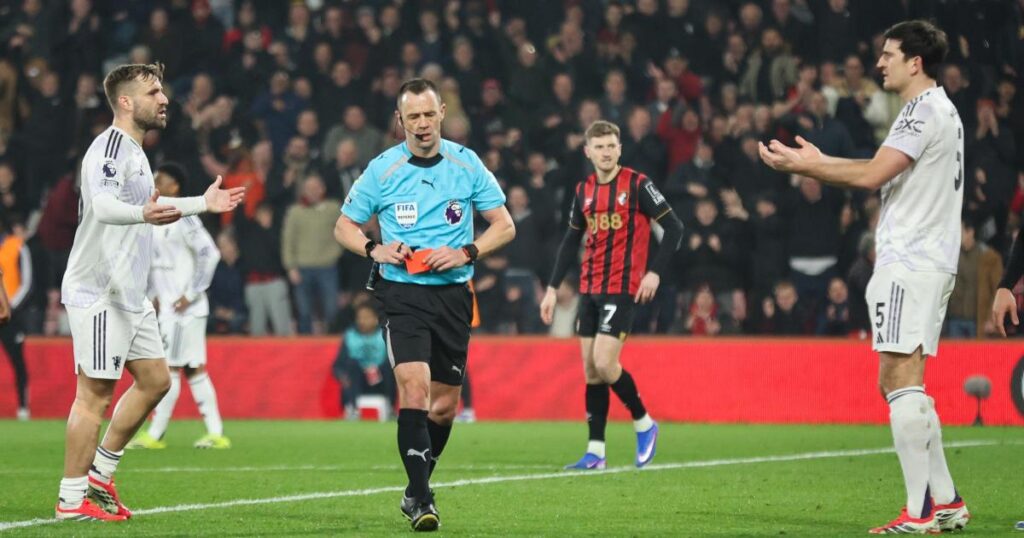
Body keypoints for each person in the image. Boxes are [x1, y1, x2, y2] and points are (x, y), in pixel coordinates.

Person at [759, 21, 970, 534]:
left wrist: (809, 166)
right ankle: (946, 501)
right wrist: (820, 161)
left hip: (912, 260)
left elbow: (873, 173)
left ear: (915, 62)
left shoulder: (921, 111)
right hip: (929, 259)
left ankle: (919, 513)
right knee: (904, 380)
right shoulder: (943, 109)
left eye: (888, 54)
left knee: (898, 378)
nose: (880, 63)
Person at [55, 63, 243, 522]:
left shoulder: (138, 153)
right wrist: (143, 215)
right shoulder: (110, 147)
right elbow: (104, 206)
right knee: (94, 394)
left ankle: (100, 474)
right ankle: (71, 498)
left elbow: (151, 206)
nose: (164, 99)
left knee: (157, 380)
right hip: (99, 288)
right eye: (153, 91)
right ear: (125, 101)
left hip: (130, 293)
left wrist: (203, 202)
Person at [334, 78, 514, 532]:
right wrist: (373, 249)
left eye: (428, 114)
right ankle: (423, 501)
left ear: (442, 113)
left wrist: (466, 252)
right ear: (400, 120)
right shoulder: (382, 169)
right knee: (414, 390)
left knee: (445, 408)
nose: (421, 124)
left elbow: (504, 225)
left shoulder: (466, 163)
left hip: (454, 294)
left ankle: (414, 489)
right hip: (403, 294)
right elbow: (343, 226)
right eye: (411, 116)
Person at [539, 120, 684, 471]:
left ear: (619, 148)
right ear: (587, 151)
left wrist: (654, 272)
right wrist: (552, 289)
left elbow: (675, 227)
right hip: (588, 288)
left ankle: (644, 423)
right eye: (598, 147)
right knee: (591, 372)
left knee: (605, 363)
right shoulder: (583, 190)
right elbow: (570, 242)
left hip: (622, 288)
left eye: (611, 146)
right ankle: (596, 452)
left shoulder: (638, 185)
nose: (605, 152)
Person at [127, 162, 230, 450]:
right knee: (193, 369)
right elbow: (154, 265)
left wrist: (192, 292)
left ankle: (156, 434)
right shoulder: (154, 219)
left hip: (186, 310)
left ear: (175, 187)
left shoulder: (185, 217)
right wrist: (152, 293)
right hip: (170, 308)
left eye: (162, 178)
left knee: (170, 369)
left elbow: (210, 253)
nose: (156, 182)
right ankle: (215, 432)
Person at [333, 303, 394, 419]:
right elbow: (337, 366)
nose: (362, 321)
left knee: (389, 366)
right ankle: (352, 409)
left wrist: (375, 370)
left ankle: (390, 408)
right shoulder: (350, 336)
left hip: (380, 379)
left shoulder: (385, 335)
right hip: (357, 379)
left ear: (376, 319)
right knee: (352, 363)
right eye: (359, 318)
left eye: (366, 317)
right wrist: (342, 377)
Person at [0, 216, 31, 419]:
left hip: (10, 317)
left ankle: (23, 409)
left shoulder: (18, 247)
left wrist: (9, 307)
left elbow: (27, 282)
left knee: (18, 362)